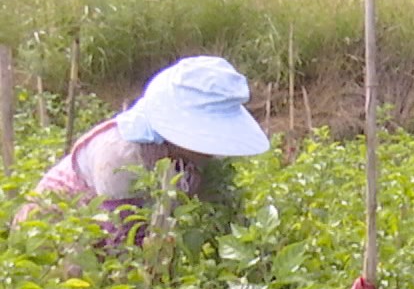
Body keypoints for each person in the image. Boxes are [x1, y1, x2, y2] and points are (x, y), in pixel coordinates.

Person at [12, 56, 270, 246]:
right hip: (53, 233)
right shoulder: (121, 157)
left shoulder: (185, 154)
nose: (211, 149)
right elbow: (123, 241)